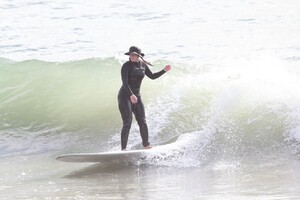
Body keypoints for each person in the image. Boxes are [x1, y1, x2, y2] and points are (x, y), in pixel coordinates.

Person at [118, 46, 171, 150]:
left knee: (142, 120)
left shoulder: (143, 65)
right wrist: (131, 95)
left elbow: (152, 76)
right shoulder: (126, 66)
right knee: (127, 121)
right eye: (131, 54)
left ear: (138, 56)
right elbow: (124, 82)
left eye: (134, 54)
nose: (132, 56)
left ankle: (146, 145)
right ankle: (123, 149)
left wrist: (164, 70)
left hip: (136, 96)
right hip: (125, 96)